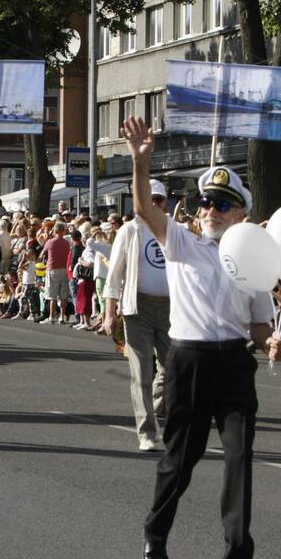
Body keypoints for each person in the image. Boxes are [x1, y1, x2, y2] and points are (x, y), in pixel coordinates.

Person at [124, 115, 281, 559]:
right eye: (205, 202)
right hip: (189, 360)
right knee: (182, 457)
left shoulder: (254, 257)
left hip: (234, 364)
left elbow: (258, 323)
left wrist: (270, 340)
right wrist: (141, 159)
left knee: (239, 458)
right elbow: (144, 211)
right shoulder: (181, 242)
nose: (210, 209)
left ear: (241, 214)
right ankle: (156, 531)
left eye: (222, 204)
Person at [103, 179, 172, 452]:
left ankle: (154, 408)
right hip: (137, 308)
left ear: (165, 203)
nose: (154, 205)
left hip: (171, 309)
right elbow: (114, 275)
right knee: (142, 372)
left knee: (174, 369)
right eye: (150, 199)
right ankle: (147, 432)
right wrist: (109, 313)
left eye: (159, 200)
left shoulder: (174, 230)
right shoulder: (129, 231)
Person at [39, 222, 71, 324]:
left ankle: (52, 317)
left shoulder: (50, 242)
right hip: (64, 269)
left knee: (52, 295)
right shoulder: (66, 243)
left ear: (55, 231)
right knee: (63, 295)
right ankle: (62, 317)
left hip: (52, 269)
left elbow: (41, 255)